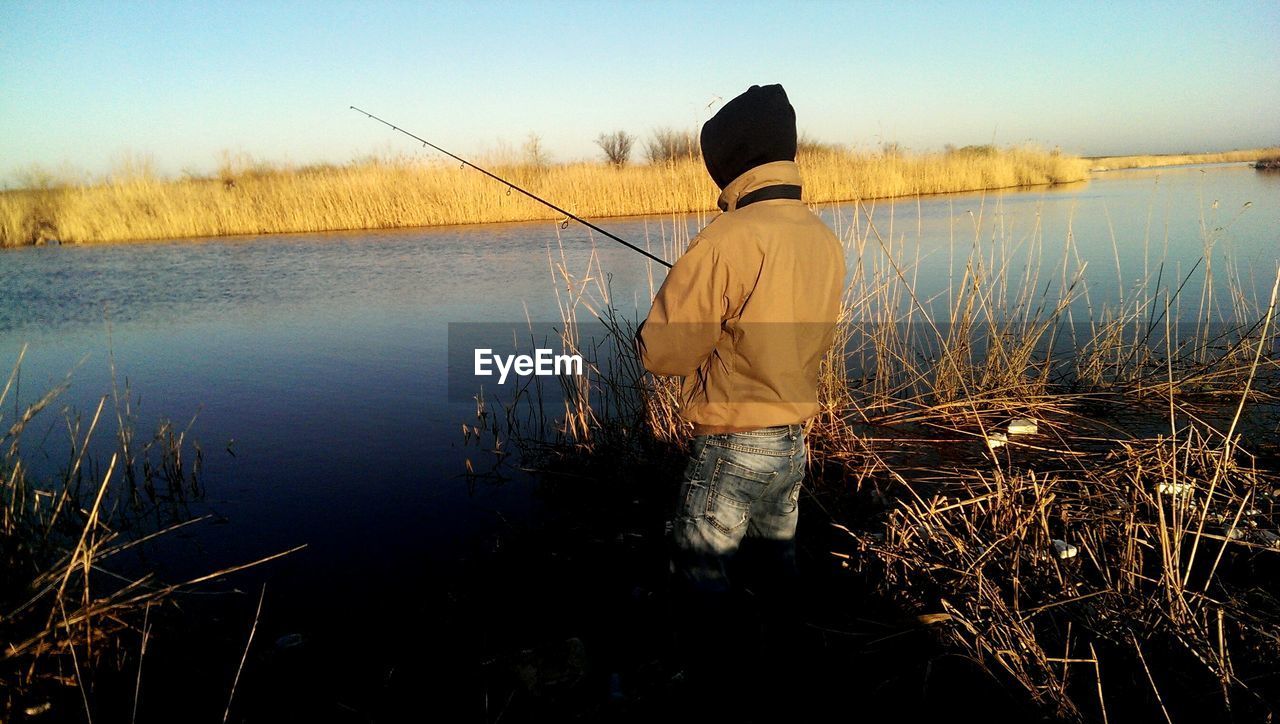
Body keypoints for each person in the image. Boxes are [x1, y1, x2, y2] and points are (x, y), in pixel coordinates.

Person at [635, 83, 846, 708]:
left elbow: (663, 354)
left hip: (731, 448)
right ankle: (787, 681)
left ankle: (717, 697)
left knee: (700, 581)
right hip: (791, 448)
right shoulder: (822, 239)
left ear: (730, 159)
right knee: (777, 574)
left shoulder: (725, 239)